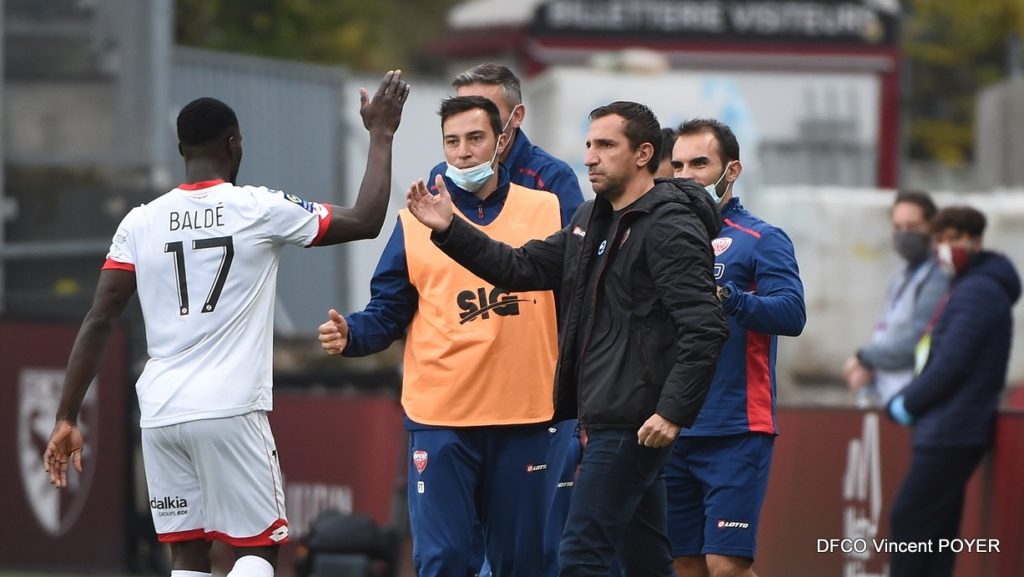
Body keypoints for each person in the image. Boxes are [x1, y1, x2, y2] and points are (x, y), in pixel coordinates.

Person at [42, 71, 410, 577]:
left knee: (188, 554)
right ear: (233, 146)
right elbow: (367, 219)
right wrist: (381, 133)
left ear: (181, 148)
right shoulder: (257, 208)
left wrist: (66, 416)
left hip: (161, 414)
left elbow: (99, 319)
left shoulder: (140, 221)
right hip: (230, 409)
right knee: (258, 550)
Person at [406, 101, 728, 577]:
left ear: (643, 154)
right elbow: (519, 267)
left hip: (632, 421)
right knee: (645, 562)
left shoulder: (669, 226)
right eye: (588, 145)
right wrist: (452, 229)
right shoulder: (589, 219)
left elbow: (705, 327)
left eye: (605, 145)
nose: (590, 157)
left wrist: (672, 412)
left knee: (580, 556)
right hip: (607, 417)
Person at [318, 95, 562, 577]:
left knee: (524, 563)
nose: (464, 151)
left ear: (501, 142)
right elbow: (388, 310)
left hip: (527, 414)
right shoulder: (412, 221)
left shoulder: (548, 208)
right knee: (444, 560)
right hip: (442, 416)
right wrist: (353, 334)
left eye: (475, 138)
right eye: (452, 141)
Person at [427, 63, 585, 577]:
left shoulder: (552, 181)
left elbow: (573, 276)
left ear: (512, 119)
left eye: (482, 122)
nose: (464, 145)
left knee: (529, 550)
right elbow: (410, 284)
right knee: (451, 550)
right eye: (455, 131)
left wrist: (569, 380)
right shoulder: (439, 182)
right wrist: (360, 331)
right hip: (455, 395)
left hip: (534, 395)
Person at [666, 119, 806, 577]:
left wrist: (729, 297)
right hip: (668, 425)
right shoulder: (658, 239)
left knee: (725, 564)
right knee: (684, 563)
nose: (687, 175)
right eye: (679, 165)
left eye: (700, 164)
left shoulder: (762, 238)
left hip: (736, 426)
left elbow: (791, 314)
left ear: (732, 170)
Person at [886, 205, 1020, 577]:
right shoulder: (965, 286)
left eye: (955, 239)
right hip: (948, 425)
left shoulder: (978, 291)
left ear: (975, 241)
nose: (947, 247)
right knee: (937, 533)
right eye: (941, 240)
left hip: (954, 427)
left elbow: (952, 363)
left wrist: (908, 401)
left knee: (909, 521)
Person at [843, 191, 949, 407]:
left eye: (913, 226)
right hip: (888, 395)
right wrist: (868, 369)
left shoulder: (938, 276)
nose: (904, 234)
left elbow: (917, 342)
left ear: (931, 227)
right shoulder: (901, 276)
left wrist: (864, 357)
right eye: (898, 227)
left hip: (915, 398)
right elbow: (886, 333)